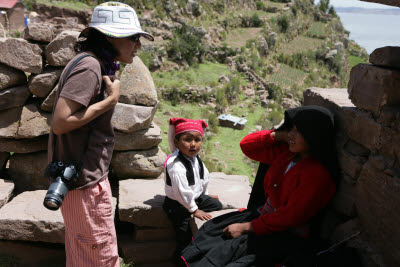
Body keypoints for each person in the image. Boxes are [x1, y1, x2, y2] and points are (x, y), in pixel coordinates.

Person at [47, 2, 154, 266]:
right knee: (101, 258)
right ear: (111, 37)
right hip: (85, 185)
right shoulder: (90, 68)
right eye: (133, 38)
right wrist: (110, 101)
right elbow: (60, 122)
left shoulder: (95, 64)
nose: (137, 45)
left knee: (83, 256)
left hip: (82, 181)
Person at [180, 105, 338, 267]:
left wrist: (246, 227)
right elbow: (247, 145)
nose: (291, 134)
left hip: (283, 234)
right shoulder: (288, 155)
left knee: (227, 254)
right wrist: (279, 135)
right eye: (291, 128)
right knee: (211, 234)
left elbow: (290, 217)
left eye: (298, 131)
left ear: (314, 136)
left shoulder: (317, 175)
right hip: (264, 218)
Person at [163, 118, 223, 263]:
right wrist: (194, 210)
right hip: (177, 205)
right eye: (187, 139)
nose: (193, 144)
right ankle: (178, 261)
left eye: (197, 139)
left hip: (193, 198)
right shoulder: (176, 165)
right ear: (177, 142)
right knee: (184, 237)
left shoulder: (196, 159)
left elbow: (203, 178)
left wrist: (205, 194)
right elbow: (181, 192)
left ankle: (195, 205)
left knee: (216, 206)